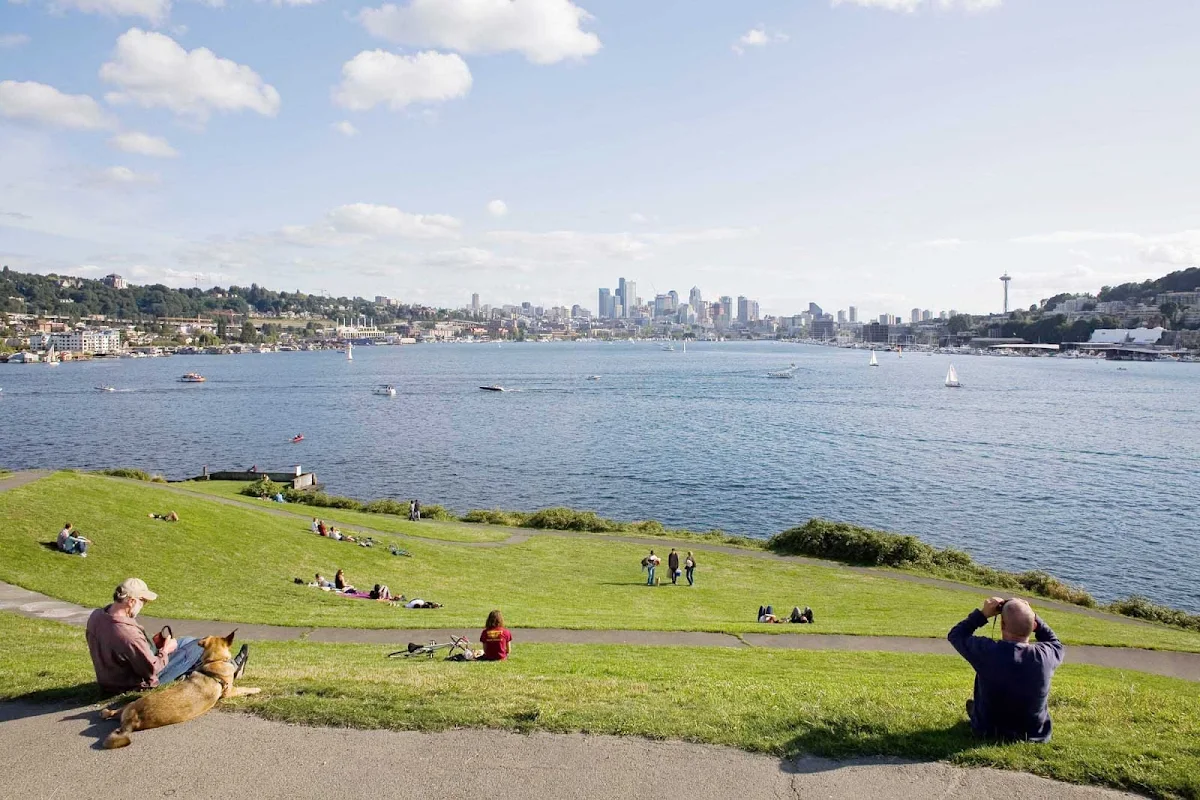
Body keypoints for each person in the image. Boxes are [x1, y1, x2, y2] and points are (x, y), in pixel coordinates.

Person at [85, 578, 248, 694]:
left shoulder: (97, 616)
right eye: (143, 601)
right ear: (131, 601)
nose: (144, 605)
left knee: (186, 641)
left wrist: (158, 647)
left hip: (110, 678)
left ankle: (192, 671)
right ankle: (231, 671)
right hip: (136, 684)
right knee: (199, 645)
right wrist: (165, 650)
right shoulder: (128, 634)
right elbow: (152, 669)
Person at [948, 597, 1065, 743]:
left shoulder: (988, 651)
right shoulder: (1046, 654)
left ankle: (979, 713)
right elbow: (1055, 642)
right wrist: (1031, 614)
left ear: (1002, 624)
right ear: (1034, 625)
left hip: (988, 729)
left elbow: (956, 635)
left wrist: (983, 614)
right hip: (1033, 733)